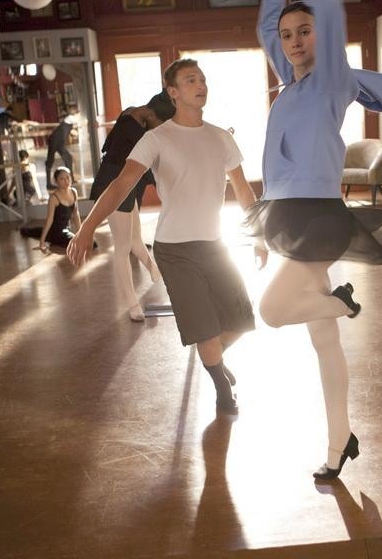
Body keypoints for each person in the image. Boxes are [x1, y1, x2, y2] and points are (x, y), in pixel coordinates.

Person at [247, 0, 382, 480]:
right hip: (288, 218)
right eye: (288, 35)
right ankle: (340, 442)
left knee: (272, 310)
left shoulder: (332, 79)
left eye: (304, 31)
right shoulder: (288, 86)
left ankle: (343, 305)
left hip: (320, 218)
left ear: (322, 39)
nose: (293, 40)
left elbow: (331, 8)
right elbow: (268, 25)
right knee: (322, 340)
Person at [67, 59, 267, 415]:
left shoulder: (221, 137)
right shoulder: (155, 139)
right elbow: (120, 185)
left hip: (214, 244)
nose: (200, 84)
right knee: (205, 329)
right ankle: (222, 387)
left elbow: (243, 190)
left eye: (203, 79)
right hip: (175, 249)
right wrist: (86, 227)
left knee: (240, 319)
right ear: (173, 92)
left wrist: (259, 235)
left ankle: (215, 362)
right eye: (191, 80)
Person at [90, 90, 175, 322]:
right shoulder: (135, 128)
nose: (158, 127)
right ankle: (132, 304)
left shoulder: (134, 114)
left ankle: (154, 270)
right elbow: (155, 155)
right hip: (112, 184)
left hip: (124, 183)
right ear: (152, 113)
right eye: (160, 121)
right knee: (123, 247)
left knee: (135, 239)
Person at [19, 167, 94, 252]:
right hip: (57, 233)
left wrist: (81, 233)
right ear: (56, 181)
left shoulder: (74, 192)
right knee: (80, 244)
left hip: (66, 229)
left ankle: (26, 231)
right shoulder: (54, 198)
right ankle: (27, 232)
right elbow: (49, 220)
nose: (66, 181)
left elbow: (75, 214)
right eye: (62, 179)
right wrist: (42, 242)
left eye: (68, 177)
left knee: (93, 243)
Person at [45, 107, 78, 190]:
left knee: (68, 158)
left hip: (59, 142)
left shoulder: (68, 120)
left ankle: (71, 179)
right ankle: (48, 184)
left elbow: (69, 129)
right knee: (50, 162)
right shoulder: (70, 118)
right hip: (55, 141)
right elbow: (78, 121)